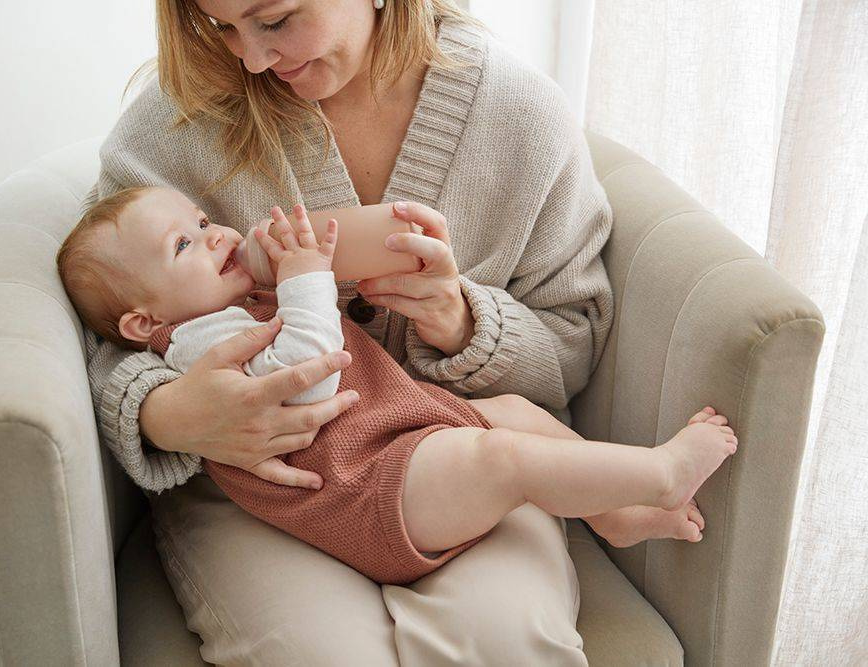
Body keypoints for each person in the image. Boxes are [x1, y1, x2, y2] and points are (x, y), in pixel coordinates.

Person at [80, 0, 712, 662]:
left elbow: (571, 339)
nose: (253, 59)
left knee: (509, 643)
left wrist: (459, 322)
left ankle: (629, 499)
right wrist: (168, 412)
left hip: (445, 441)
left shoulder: (519, 115)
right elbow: (101, 325)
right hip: (269, 484)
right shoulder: (176, 120)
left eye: (275, 19)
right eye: (223, 26)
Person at [61, 184, 737, 586]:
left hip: (399, 443)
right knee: (502, 457)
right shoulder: (198, 345)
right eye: (184, 246)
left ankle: (612, 515)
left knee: (511, 409)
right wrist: (304, 277)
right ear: (144, 322)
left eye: (204, 223)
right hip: (368, 495)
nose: (214, 238)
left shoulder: (236, 304)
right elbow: (308, 375)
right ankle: (660, 474)